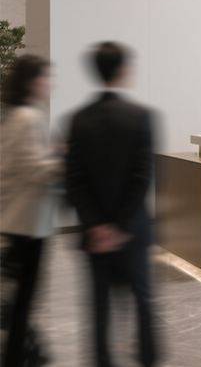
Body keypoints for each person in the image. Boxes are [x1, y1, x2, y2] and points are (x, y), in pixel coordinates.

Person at [66, 42, 158, 367]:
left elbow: (74, 180)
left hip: (95, 238)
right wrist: (120, 226)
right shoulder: (141, 117)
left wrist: (97, 227)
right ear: (122, 70)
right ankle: (146, 358)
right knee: (142, 301)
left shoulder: (78, 119)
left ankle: (102, 360)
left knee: (99, 305)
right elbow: (142, 178)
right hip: (133, 230)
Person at [1, 55, 61, 367]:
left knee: (22, 299)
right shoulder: (28, 118)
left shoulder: (16, 115)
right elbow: (35, 170)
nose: (50, 84)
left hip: (19, 221)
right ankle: (17, 356)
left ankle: (25, 352)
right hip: (27, 223)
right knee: (24, 300)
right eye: (46, 77)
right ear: (32, 81)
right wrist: (64, 159)